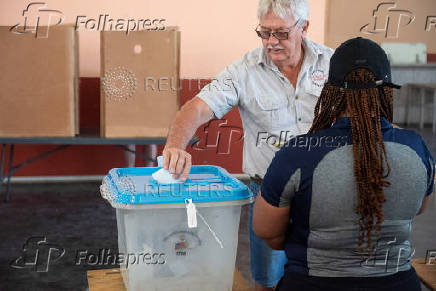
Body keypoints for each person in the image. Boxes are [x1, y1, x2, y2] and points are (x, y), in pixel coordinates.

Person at [162, 0, 333, 289]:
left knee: (324, 275)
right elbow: (197, 108)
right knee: (267, 279)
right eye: (265, 33)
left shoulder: (333, 64)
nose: (272, 42)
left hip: (326, 192)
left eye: (281, 33)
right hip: (268, 192)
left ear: (304, 27)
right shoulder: (244, 70)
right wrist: (176, 144)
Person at [252, 37, 435, 291]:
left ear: (331, 91)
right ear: (385, 92)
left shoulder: (298, 152)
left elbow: (266, 231)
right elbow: (418, 208)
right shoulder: (416, 147)